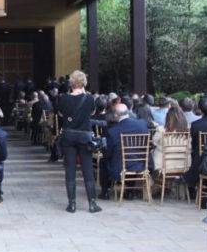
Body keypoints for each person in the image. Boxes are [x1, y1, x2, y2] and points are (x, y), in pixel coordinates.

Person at [56, 70, 101, 214]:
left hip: (68, 135)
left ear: (71, 83)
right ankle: (92, 203)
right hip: (84, 136)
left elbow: (61, 114)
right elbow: (92, 113)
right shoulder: (89, 99)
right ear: (84, 83)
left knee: (70, 170)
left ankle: (72, 204)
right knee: (87, 170)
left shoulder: (63, 98)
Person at [99, 102, 149, 200]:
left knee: (103, 161)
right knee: (130, 158)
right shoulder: (142, 124)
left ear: (116, 115)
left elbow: (108, 152)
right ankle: (129, 191)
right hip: (141, 164)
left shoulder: (112, 130)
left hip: (120, 167)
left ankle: (105, 192)